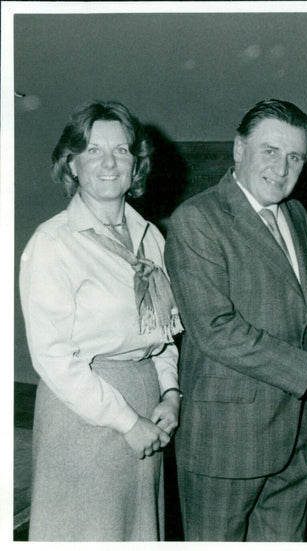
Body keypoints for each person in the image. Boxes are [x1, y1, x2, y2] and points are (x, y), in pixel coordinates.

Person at [164, 99, 307, 542]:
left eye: (295, 156)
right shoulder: (197, 220)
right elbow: (217, 331)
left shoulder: (295, 214)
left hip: (295, 433)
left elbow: (304, 302)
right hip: (226, 441)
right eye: (270, 151)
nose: (282, 167)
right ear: (239, 149)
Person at [19, 100, 183, 541]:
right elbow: (52, 358)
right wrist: (129, 422)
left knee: (137, 531)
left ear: (136, 162)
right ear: (71, 163)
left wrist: (170, 394)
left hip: (148, 402)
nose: (109, 163)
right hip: (86, 414)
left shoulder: (150, 237)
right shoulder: (54, 242)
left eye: (122, 150)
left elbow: (165, 332)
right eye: (93, 150)